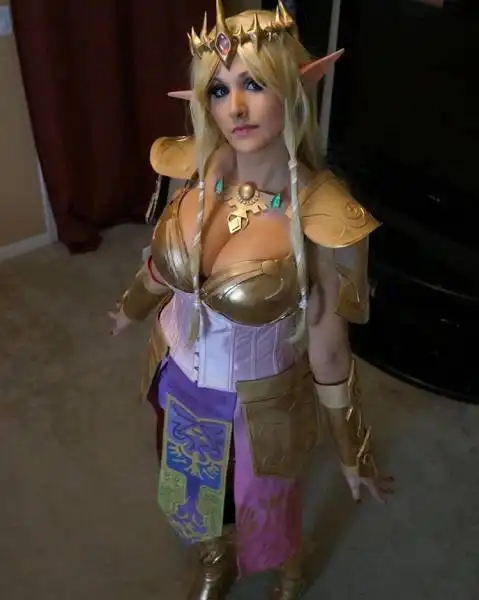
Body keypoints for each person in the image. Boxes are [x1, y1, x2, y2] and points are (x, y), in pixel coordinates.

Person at [109, 2, 393, 598]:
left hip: (258, 402)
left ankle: (289, 566)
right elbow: (162, 266)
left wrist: (353, 448)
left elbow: (329, 349)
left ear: (293, 89)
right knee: (190, 489)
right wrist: (131, 306)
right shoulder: (192, 168)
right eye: (219, 89)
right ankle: (216, 559)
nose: (235, 107)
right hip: (178, 377)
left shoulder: (323, 214)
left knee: (267, 498)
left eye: (254, 84)